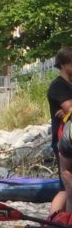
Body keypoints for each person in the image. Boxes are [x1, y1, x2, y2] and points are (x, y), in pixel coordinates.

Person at [47, 46, 72, 216]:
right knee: (65, 186)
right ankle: (53, 220)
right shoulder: (58, 86)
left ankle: (66, 219)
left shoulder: (69, 85)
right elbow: (69, 107)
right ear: (63, 64)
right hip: (63, 139)